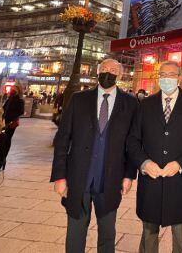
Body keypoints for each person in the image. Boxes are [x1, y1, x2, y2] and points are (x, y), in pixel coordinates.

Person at [51, 59, 138, 252]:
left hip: (110, 179)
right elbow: (63, 138)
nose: (108, 72)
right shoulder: (78, 99)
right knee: (75, 233)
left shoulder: (131, 103)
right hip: (78, 178)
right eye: (104, 69)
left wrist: (129, 175)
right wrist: (59, 176)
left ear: (121, 75)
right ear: (97, 72)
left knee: (107, 234)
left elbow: (133, 143)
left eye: (113, 70)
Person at [127, 61, 182, 252]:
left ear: (179, 78)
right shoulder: (145, 105)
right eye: (163, 74)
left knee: (181, 234)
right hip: (150, 180)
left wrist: (181, 163)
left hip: (180, 180)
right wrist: (144, 163)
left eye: (171, 74)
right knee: (148, 233)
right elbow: (133, 140)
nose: (166, 78)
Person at [0, 84, 24, 172]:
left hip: (11, 123)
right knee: (1, 141)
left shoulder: (20, 100)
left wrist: (10, 119)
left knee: (6, 140)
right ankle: (2, 160)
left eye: (15, 88)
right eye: (13, 88)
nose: (13, 89)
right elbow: (4, 109)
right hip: (4, 122)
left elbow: (20, 111)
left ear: (18, 90)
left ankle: (1, 161)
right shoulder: (10, 98)